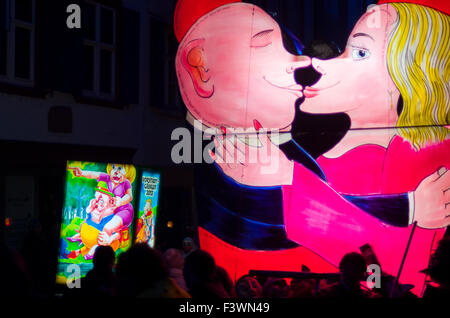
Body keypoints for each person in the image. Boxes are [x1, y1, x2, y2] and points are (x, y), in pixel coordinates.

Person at [175, 0, 449, 291]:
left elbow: (398, 273)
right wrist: (409, 206)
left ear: (408, 75)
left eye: (358, 52)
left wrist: (290, 178)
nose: (314, 62)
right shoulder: (306, 157)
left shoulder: (419, 153)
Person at [69, 163, 136, 247]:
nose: (116, 171)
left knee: (107, 227)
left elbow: (129, 196)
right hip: (112, 210)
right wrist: (81, 173)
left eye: (119, 168)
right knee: (93, 219)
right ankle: (84, 238)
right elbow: (93, 174)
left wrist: (121, 201)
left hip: (124, 211)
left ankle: (104, 245)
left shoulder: (126, 183)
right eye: (113, 168)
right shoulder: (107, 178)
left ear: (128, 172)